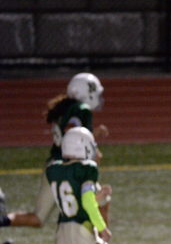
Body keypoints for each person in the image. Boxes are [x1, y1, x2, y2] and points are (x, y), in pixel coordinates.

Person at [0, 72, 110, 230]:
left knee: (38, 218)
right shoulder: (82, 109)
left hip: (53, 166)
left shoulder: (65, 108)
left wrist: (93, 134)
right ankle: (103, 243)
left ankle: (2, 220)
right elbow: (71, 133)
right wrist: (94, 149)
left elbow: (69, 134)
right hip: (71, 167)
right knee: (101, 203)